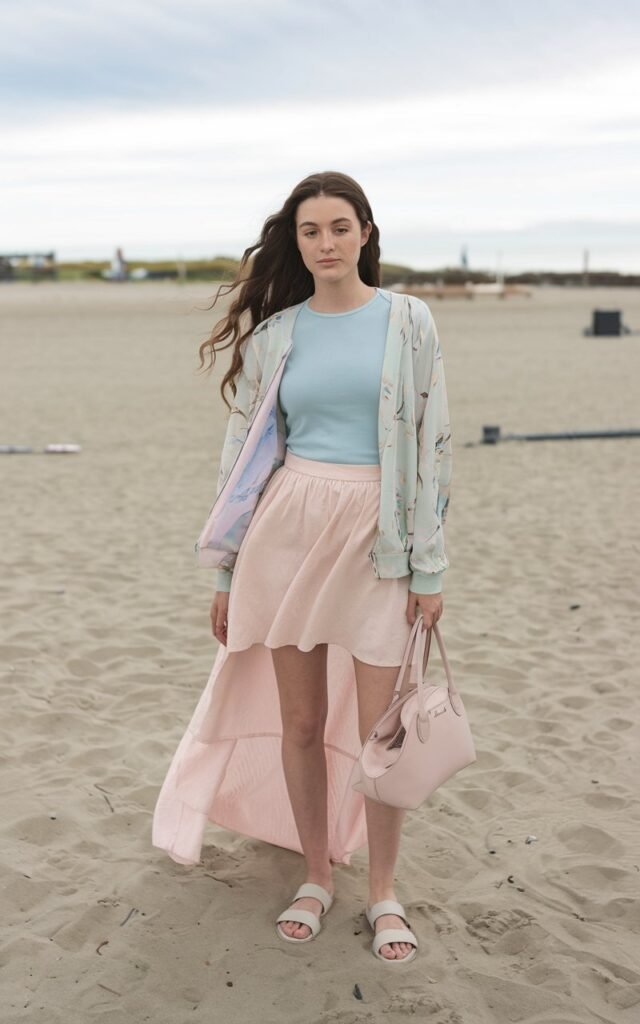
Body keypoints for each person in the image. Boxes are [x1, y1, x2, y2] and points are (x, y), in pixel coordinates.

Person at [152, 170, 452, 965]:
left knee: (381, 735)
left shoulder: (410, 321)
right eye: (310, 231)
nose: (325, 243)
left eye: (339, 228)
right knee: (301, 724)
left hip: (377, 539)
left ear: (365, 233)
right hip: (285, 532)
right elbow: (244, 457)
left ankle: (384, 890)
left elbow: (431, 446)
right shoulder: (276, 334)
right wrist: (225, 571)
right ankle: (316, 874)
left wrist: (430, 569)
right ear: (297, 241)